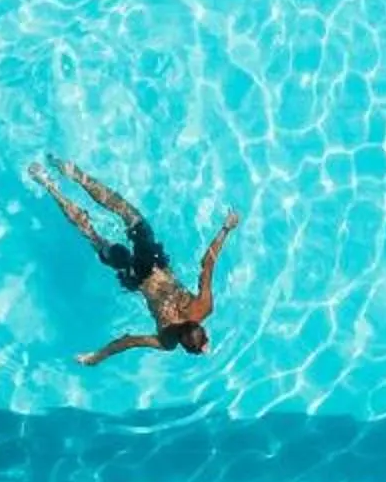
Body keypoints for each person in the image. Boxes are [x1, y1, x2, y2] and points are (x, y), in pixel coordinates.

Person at [26, 156, 241, 365]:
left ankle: (76, 175)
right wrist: (97, 356)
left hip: (155, 262)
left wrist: (225, 229)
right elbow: (128, 342)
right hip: (136, 277)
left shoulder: (203, 307)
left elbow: (208, 263)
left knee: (126, 212)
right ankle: (49, 185)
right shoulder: (167, 340)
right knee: (93, 235)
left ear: (203, 330)